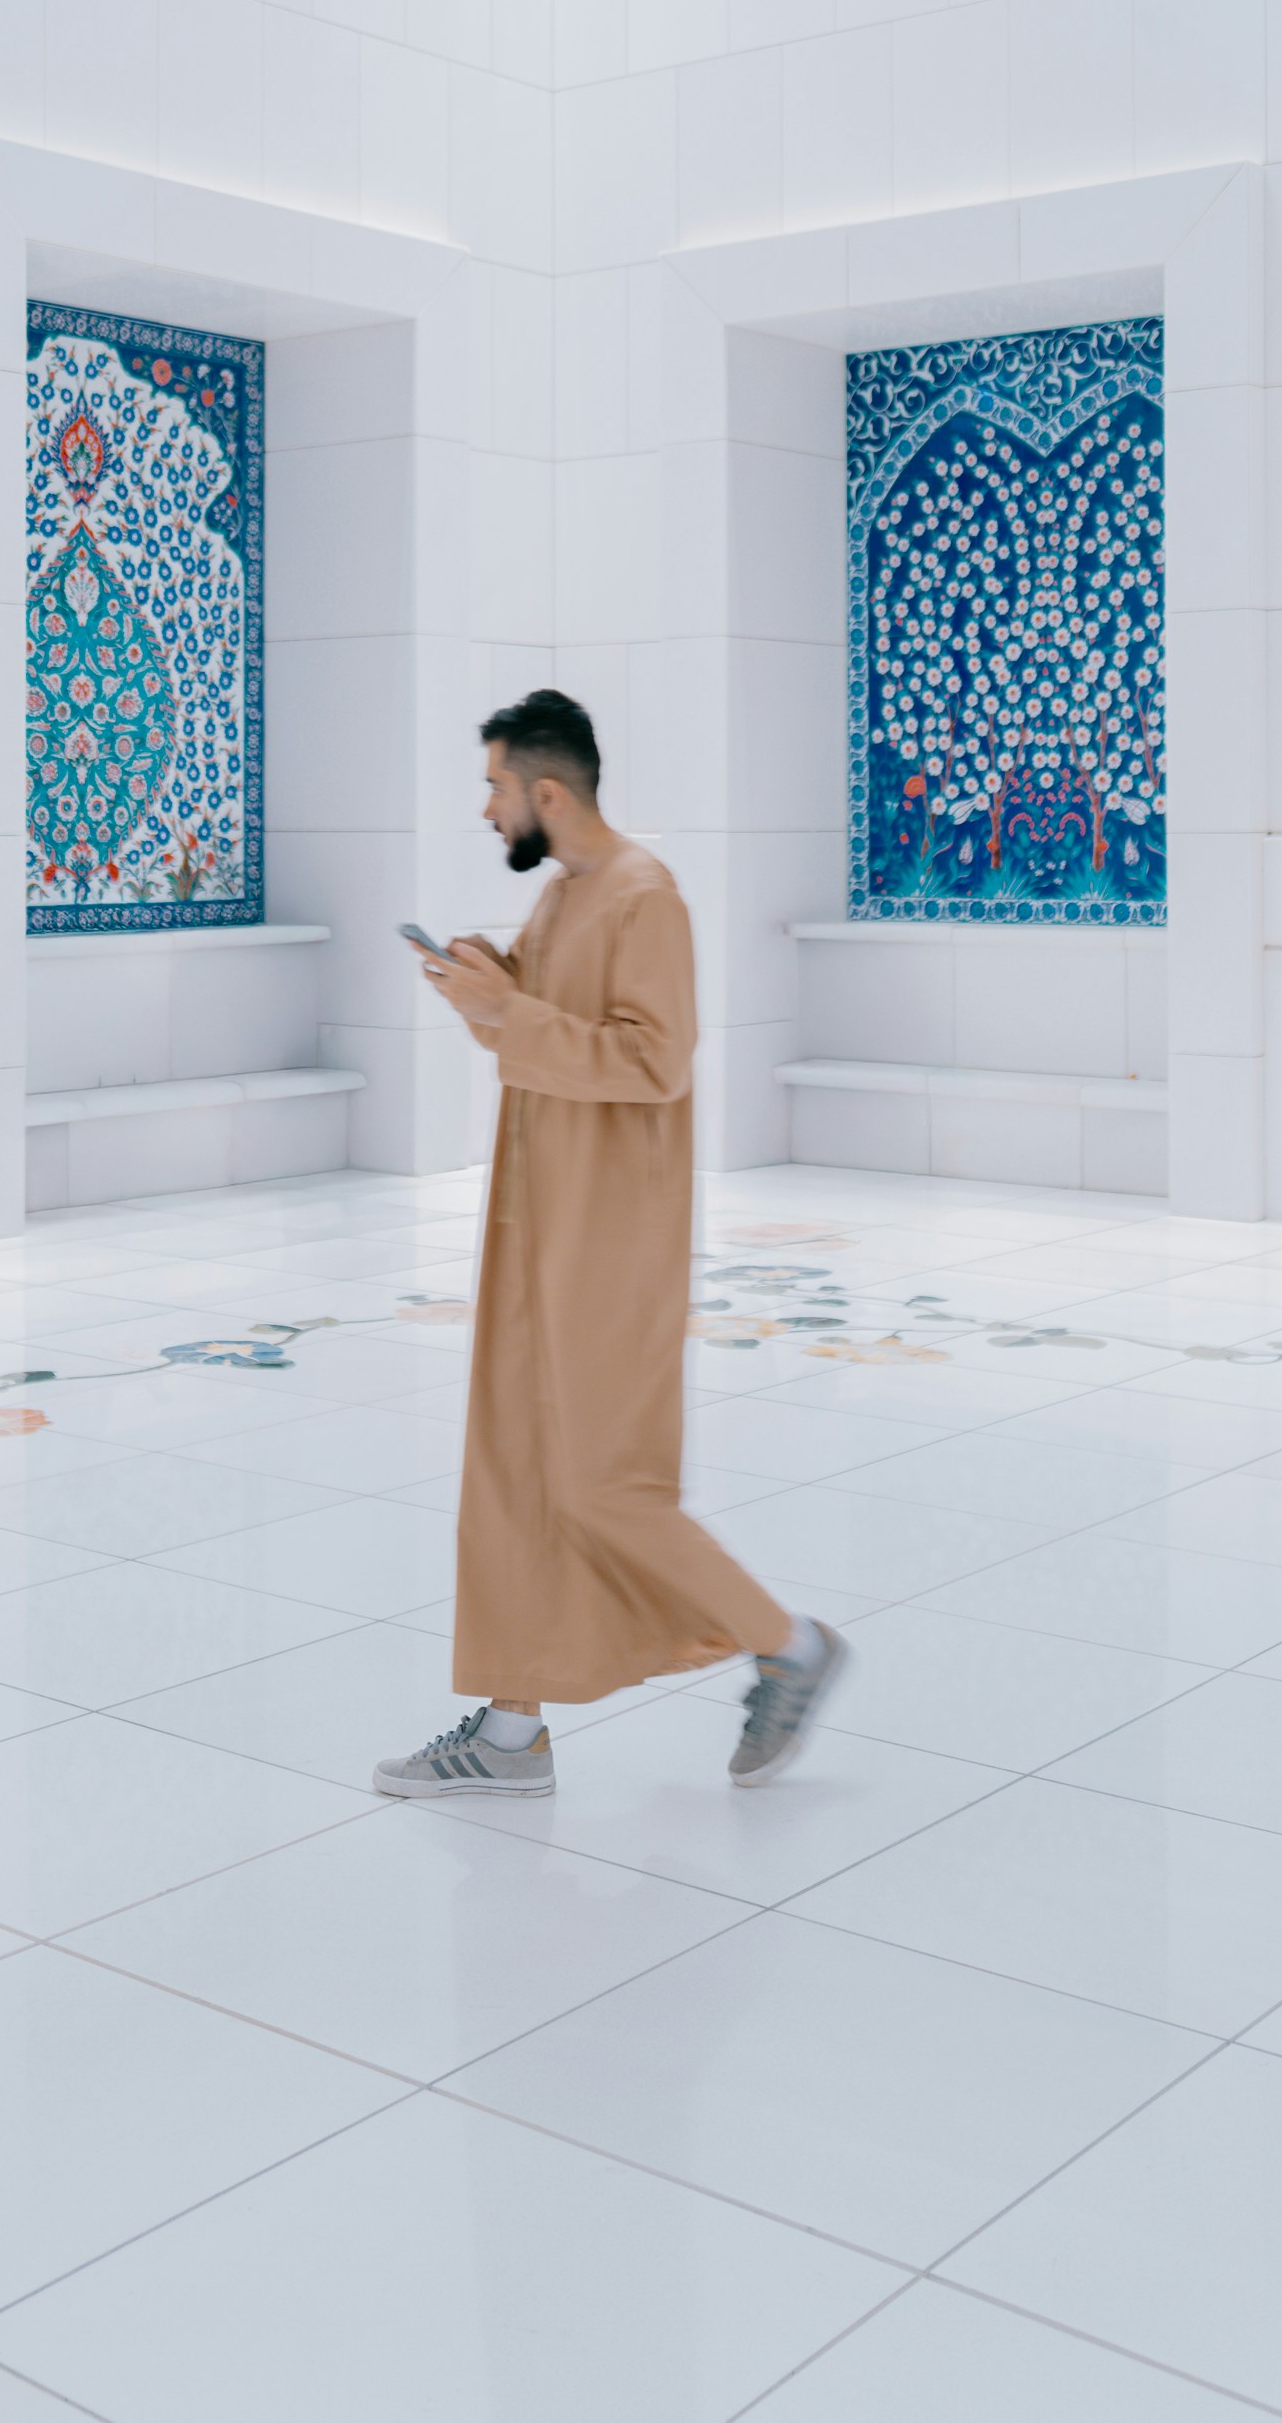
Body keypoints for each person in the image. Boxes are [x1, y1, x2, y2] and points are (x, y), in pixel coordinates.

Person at [374, 689, 847, 1799]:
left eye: (495, 786)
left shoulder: (644, 896)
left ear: (547, 791)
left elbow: (653, 1063)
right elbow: (552, 1021)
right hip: (536, 1227)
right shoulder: (565, 896)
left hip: (607, 1243)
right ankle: (509, 1732)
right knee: (515, 1470)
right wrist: (493, 981)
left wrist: (509, 1014)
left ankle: (789, 1643)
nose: (486, 808)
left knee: (600, 1484)